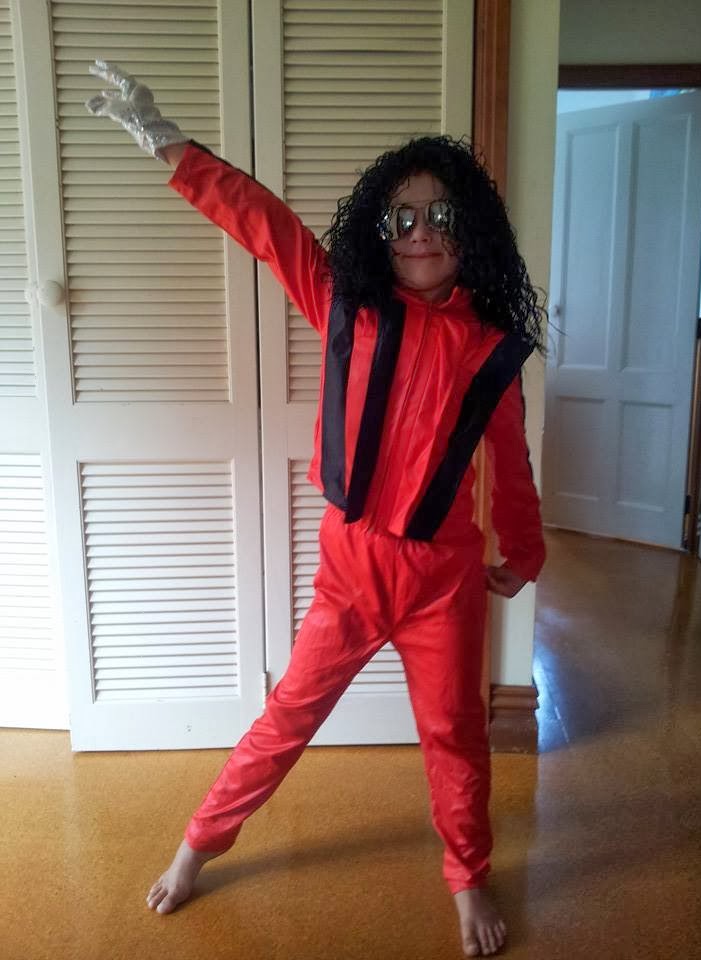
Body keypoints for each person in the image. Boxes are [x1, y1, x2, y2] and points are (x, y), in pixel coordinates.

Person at [86, 59, 546, 958]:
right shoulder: (346, 303)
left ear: (473, 232)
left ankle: (467, 876)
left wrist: (523, 553)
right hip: (352, 570)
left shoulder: (490, 348)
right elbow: (264, 224)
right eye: (403, 217)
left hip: (445, 581)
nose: (421, 233)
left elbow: (511, 462)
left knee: (456, 736)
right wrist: (169, 144)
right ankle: (197, 844)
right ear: (381, 229)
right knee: (288, 716)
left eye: (441, 216)